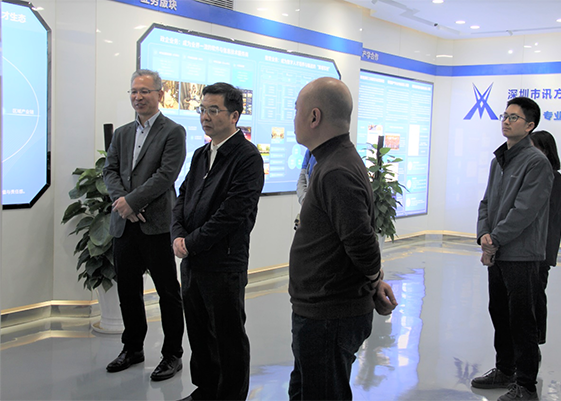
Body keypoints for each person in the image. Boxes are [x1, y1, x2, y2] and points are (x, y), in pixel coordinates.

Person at [288, 77, 398, 401]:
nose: (294, 118)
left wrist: (374, 279)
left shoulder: (336, 170)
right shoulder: (334, 160)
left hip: (329, 316)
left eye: (296, 109)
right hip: (320, 312)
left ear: (314, 116)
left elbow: (362, 244)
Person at [171, 82, 265, 401]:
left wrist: (190, 243)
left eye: (214, 110)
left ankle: (230, 396)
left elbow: (232, 214)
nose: (205, 116)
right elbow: (183, 197)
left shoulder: (247, 157)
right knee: (199, 333)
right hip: (193, 262)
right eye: (203, 109)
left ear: (234, 116)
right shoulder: (202, 154)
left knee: (228, 337)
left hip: (224, 263)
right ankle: (206, 389)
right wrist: (177, 234)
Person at [103, 69, 186, 381]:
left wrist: (133, 203)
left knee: (168, 292)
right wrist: (122, 203)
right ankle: (133, 348)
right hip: (125, 225)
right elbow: (110, 170)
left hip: (157, 225)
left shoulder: (173, 132)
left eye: (145, 91)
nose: (138, 97)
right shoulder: (122, 133)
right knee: (128, 289)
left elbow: (166, 175)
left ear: (159, 95)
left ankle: (172, 354)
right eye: (134, 92)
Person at [473, 97, 554, 401]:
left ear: (530, 125)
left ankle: (526, 385)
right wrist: (483, 233)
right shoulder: (499, 161)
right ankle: (504, 370)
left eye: (514, 117)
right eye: (504, 116)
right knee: (499, 313)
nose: (506, 121)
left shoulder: (536, 163)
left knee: (522, 320)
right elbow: (486, 202)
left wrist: (494, 239)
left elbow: (524, 211)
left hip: (521, 254)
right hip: (498, 252)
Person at [529, 130, 561, 345]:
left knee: (536, 293)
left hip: (541, 248)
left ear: (545, 151)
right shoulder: (537, 176)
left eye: (533, 147)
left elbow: (545, 215)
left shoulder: (553, 178)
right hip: (533, 247)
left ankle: (536, 338)